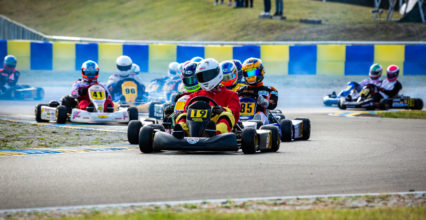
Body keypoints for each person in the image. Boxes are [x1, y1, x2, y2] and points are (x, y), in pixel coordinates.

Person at [174, 58, 241, 138]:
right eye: (201, 76)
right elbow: (186, 109)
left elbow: (234, 113)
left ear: (216, 73)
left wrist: (222, 110)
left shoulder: (231, 95)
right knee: (183, 115)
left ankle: (216, 133)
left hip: (217, 126)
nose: (204, 79)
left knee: (227, 115)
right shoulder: (196, 95)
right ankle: (182, 133)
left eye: (207, 76)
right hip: (195, 126)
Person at [237, 58, 278, 125]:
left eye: (253, 72)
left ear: (261, 71)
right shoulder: (240, 90)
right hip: (240, 119)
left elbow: (273, 105)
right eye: (248, 73)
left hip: (261, 122)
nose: (251, 76)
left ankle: (255, 128)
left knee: (259, 115)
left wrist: (264, 102)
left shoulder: (270, 90)